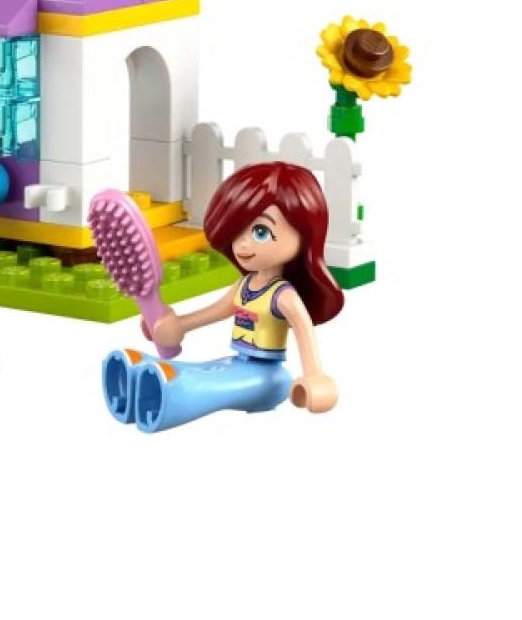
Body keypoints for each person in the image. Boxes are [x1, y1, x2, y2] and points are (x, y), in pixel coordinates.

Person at [102, 161, 344, 432]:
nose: (242, 243)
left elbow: (303, 330)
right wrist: (179, 326)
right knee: (196, 370)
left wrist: (314, 376)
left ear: (304, 235)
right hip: (236, 363)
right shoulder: (245, 285)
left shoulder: (283, 296)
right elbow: (215, 311)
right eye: (236, 230)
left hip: (267, 378)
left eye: (260, 232)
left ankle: (171, 393)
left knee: (205, 385)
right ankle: (141, 375)